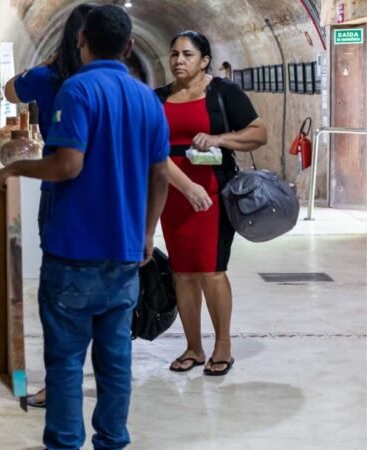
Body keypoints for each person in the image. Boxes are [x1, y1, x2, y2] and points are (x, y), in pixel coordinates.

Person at [0, 5, 170, 449]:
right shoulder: (148, 98)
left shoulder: (77, 90)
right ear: (130, 46)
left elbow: (68, 164)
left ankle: (65, 444)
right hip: (126, 252)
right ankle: (112, 442)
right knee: (115, 361)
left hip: (73, 251)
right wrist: (148, 232)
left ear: (80, 40)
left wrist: (18, 170)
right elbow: (159, 176)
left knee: (66, 362)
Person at [154, 31, 267, 376]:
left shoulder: (223, 92)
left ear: (204, 61)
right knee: (183, 273)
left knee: (211, 271)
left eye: (187, 54)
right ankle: (193, 347)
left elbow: (258, 133)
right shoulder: (158, 98)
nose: (178, 60)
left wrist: (220, 138)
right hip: (172, 194)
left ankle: (223, 346)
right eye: (174, 54)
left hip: (212, 194)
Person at [2, 2, 95, 410]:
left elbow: (10, 90)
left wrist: (44, 63)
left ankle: (58, 387)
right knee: (104, 301)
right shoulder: (118, 87)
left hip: (60, 189)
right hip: (108, 194)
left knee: (60, 298)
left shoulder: (49, 77)